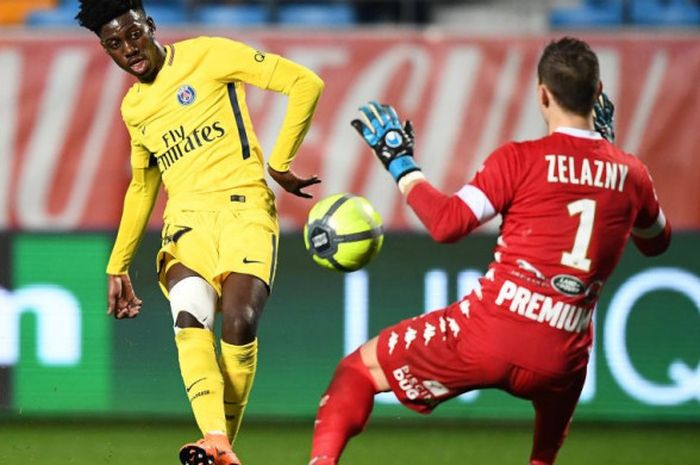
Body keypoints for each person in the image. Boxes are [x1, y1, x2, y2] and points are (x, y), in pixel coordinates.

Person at [309, 37, 671, 465]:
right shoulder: (632, 174)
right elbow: (656, 243)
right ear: (598, 92)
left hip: (487, 335)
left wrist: (400, 163)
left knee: (358, 371)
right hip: (562, 355)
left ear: (542, 93)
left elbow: (447, 225)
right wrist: (610, 154)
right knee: (543, 455)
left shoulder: (520, 159)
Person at [75, 1, 324, 464]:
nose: (128, 49)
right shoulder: (135, 108)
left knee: (239, 322)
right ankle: (218, 442)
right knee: (190, 316)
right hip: (187, 223)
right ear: (105, 50)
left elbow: (305, 83)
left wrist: (281, 163)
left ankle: (219, 443)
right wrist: (117, 263)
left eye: (133, 35)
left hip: (245, 210)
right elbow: (143, 184)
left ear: (149, 26)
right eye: (114, 44)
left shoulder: (208, 55)